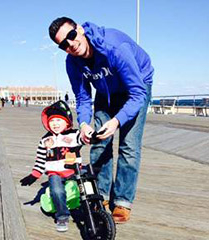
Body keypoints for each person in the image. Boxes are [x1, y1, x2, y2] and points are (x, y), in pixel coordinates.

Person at [49, 17, 154, 223]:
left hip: (137, 87)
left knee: (129, 146)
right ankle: (102, 196)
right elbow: (83, 98)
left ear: (79, 29)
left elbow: (137, 93)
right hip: (106, 90)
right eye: (63, 44)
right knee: (98, 142)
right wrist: (84, 124)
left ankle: (123, 201)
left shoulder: (114, 47)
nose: (70, 44)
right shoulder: (72, 63)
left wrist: (116, 121)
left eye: (71, 36)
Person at [20, 100, 84, 232]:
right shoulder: (45, 140)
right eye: (52, 121)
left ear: (67, 121)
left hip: (74, 170)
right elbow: (40, 160)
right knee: (57, 190)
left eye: (59, 120)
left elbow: (85, 139)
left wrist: (93, 137)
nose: (55, 124)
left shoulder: (74, 135)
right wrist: (34, 175)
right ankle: (62, 216)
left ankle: (87, 208)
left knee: (85, 186)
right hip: (55, 173)